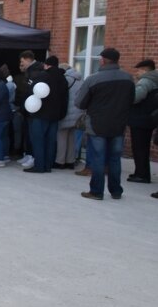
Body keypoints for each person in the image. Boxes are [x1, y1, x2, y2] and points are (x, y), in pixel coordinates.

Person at [75, 48, 135, 200]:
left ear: (102, 60)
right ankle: (116, 190)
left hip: (97, 124)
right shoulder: (128, 78)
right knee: (115, 159)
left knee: (98, 158)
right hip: (119, 124)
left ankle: (96, 191)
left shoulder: (94, 79)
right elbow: (131, 100)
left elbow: (80, 102)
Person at [24, 55, 68, 173]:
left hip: (41, 113)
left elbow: (32, 91)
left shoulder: (43, 76)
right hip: (55, 115)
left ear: (46, 65)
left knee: (38, 140)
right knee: (50, 141)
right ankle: (48, 166)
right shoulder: (63, 78)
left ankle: (39, 165)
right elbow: (65, 98)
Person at [127, 59, 158, 183]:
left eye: (138, 70)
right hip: (150, 117)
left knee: (139, 147)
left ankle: (141, 174)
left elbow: (135, 97)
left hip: (140, 118)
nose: (137, 73)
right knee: (144, 147)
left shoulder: (145, 81)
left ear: (145, 70)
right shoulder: (155, 79)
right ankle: (142, 172)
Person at [55, 63, 84, 169]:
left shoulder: (66, 79)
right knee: (72, 137)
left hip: (67, 111)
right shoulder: (80, 79)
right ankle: (70, 160)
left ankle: (60, 161)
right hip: (78, 112)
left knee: (61, 136)